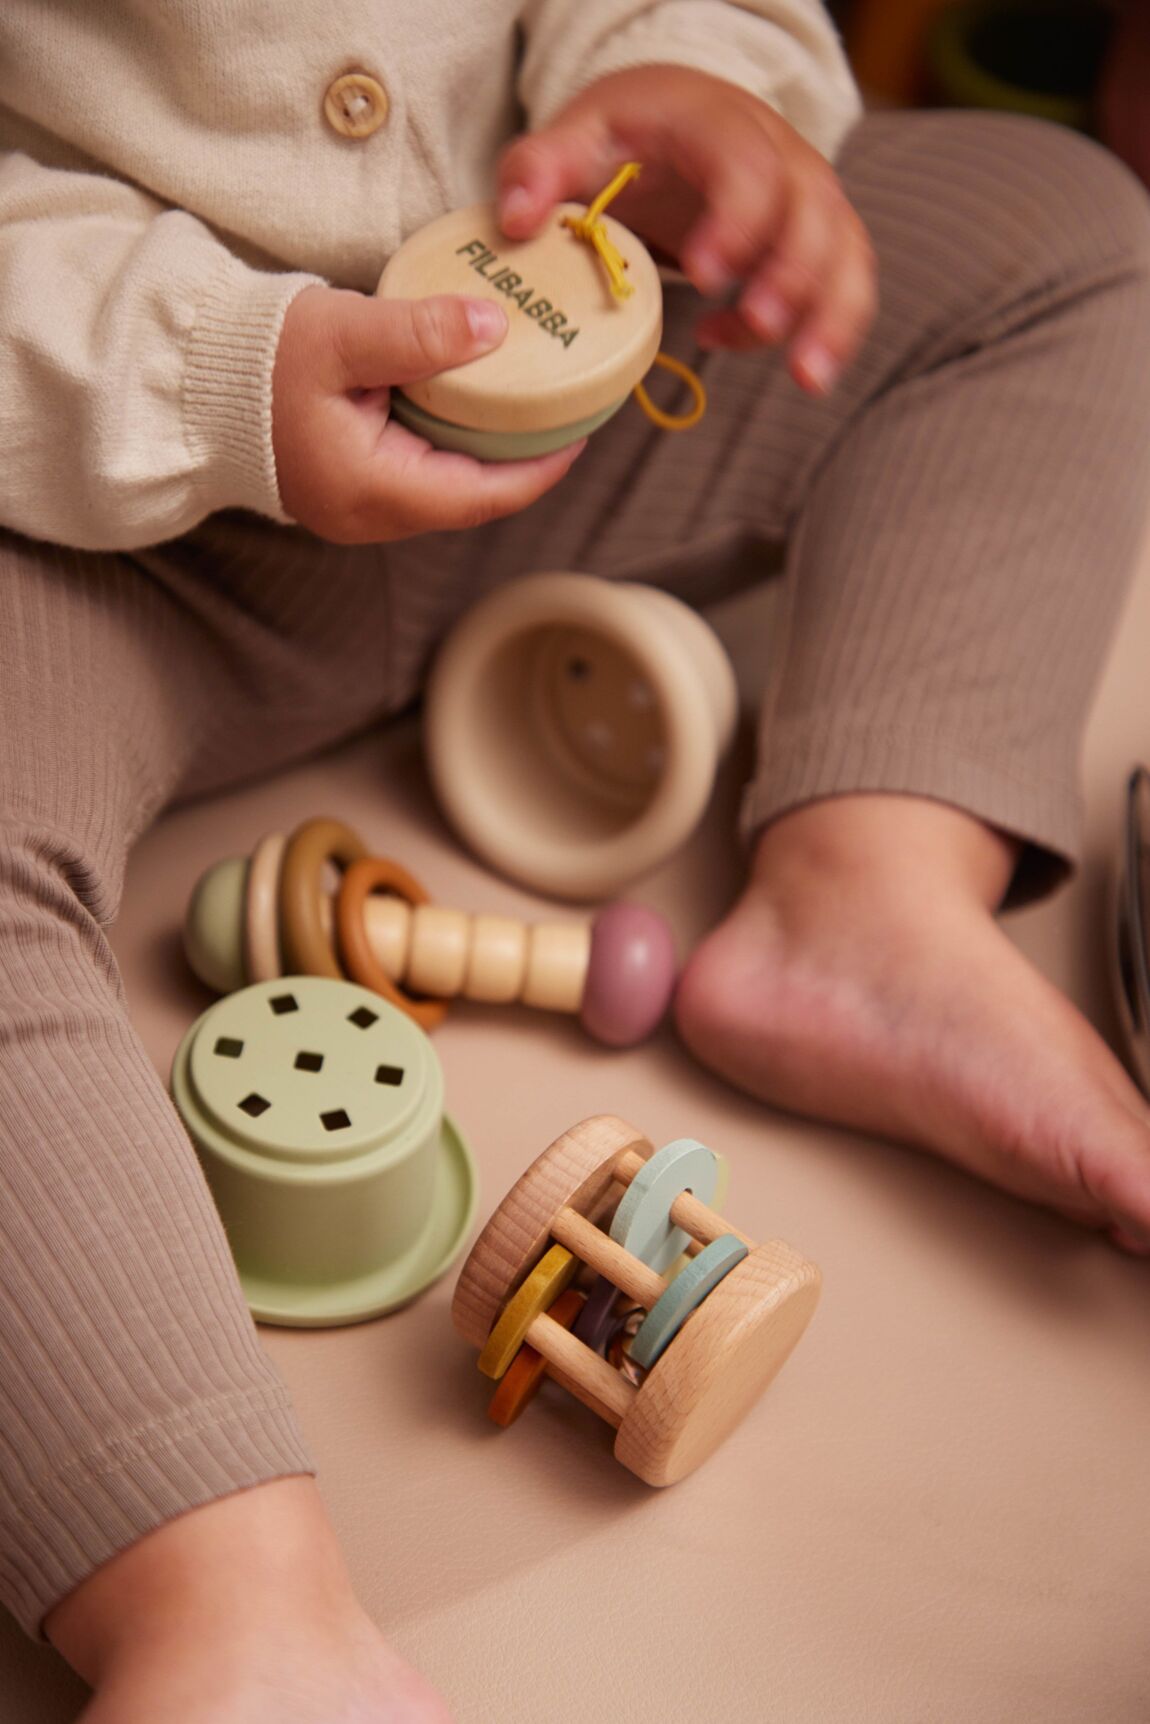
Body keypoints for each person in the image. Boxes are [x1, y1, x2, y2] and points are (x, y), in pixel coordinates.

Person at [2, 3, 1149, 1718]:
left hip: (590, 365)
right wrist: (207, 364)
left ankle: (873, 886)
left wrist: (696, 88)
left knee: (1059, 236)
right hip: (115, 519)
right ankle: (224, 1604)